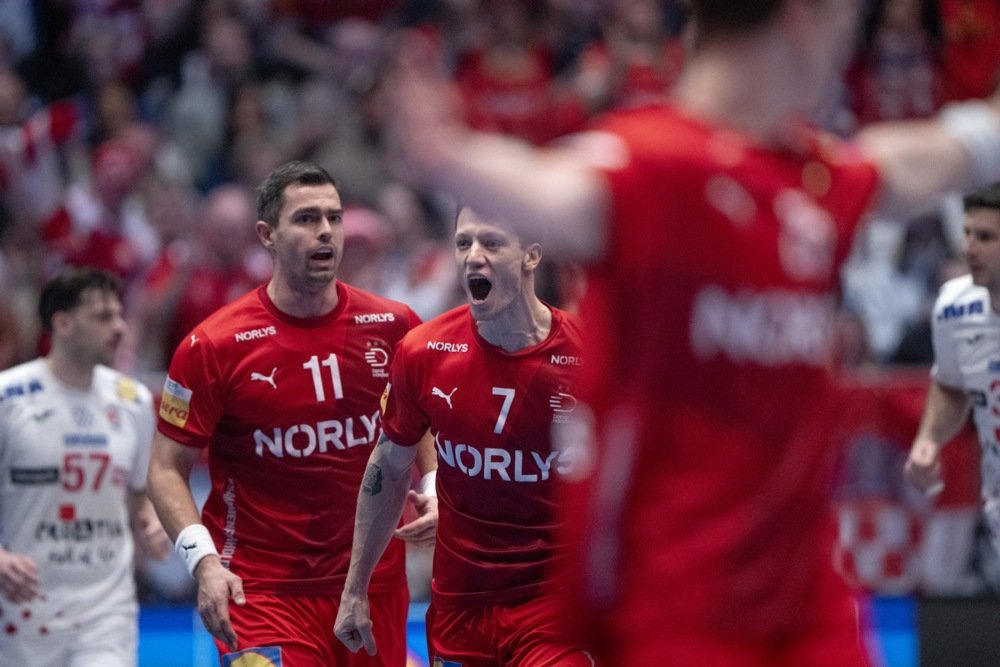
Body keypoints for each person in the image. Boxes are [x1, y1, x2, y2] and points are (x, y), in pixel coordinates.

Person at [381, 1, 1000, 664]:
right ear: (801, 22)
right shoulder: (652, 164)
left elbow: (926, 158)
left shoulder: (814, 177)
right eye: (842, 31)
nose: (847, 59)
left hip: (811, 606)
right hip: (679, 611)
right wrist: (451, 156)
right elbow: (561, 192)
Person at [145, 160, 435, 666]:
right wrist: (203, 562)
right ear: (267, 235)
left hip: (372, 586)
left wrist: (432, 484)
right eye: (305, 219)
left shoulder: (394, 326)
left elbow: (419, 421)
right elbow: (166, 467)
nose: (325, 231)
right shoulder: (214, 345)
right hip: (260, 591)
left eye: (334, 217)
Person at [334, 206, 592, 665]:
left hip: (554, 605)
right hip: (460, 607)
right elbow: (388, 467)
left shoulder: (588, 354)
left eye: (491, 243)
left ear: (532, 254)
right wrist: (355, 589)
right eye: (463, 243)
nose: (473, 256)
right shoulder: (423, 352)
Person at [0, 267, 170, 666]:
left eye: (120, 314)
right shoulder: (8, 398)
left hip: (106, 610)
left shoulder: (133, 401)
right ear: (63, 324)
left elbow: (139, 493)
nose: (120, 327)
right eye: (103, 316)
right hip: (23, 612)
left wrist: (152, 520)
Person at [905, 182, 1000, 550]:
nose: (968, 249)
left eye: (985, 237)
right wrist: (929, 439)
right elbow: (950, 383)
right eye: (968, 234)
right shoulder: (954, 307)